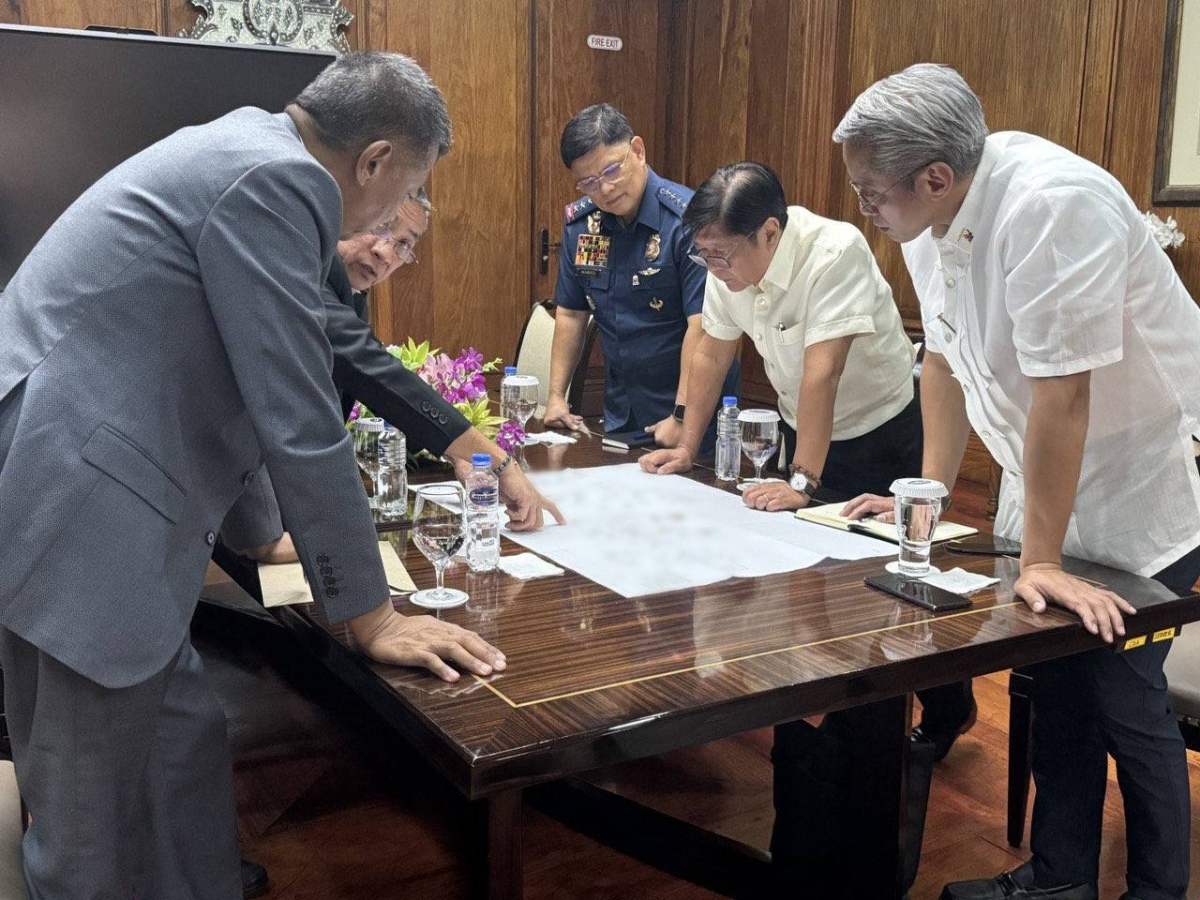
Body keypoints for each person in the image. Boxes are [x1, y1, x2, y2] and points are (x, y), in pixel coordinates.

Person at [0, 52, 541, 899]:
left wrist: (262, 534)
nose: (398, 212)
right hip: (82, 511)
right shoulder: (277, 183)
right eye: (407, 189)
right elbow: (296, 411)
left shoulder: (243, 151)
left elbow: (235, 386)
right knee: (87, 817)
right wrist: (369, 615)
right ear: (375, 161)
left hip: (103, 495)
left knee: (178, 740)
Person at [834, 63, 1200, 900]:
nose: (866, 209)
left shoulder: (1050, 205)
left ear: (934, 176)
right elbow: (943, 357)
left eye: (869, 193)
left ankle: (1158, 889)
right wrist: (922, 497)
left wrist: (1040, 560)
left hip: (1137, 488)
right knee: (1057, 686)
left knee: (1128, 701)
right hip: (1039, 478)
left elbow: (1064, 397)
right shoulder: (931, 219)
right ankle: (1059, 880)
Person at [639, 161, 974, 893]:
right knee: (821, 587)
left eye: (722, 253)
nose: (713, 266)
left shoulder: (836, 251)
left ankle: (945, 700)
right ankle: (851, 709)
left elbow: (823, 372)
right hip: (812, 430)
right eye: (703, 253)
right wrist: (688, 445)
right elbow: (711, 349)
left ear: (770, 232)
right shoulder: (731, 266)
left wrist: (800, 483)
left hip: (883, 432)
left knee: (894, 580)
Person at [225, 188, 559, 567]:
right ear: (348, 215)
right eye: (381, 227)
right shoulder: (303, 277)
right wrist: (500, 463)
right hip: (221, 497)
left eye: (403, 244)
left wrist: (461, 455)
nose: (385, 253)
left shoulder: (349, 292)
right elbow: (375, 375)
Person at [544, 103, 738, 449]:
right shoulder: (583, 226)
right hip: (623, 411)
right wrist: (557, 395)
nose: (604, 189)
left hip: (694, 415)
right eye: (588, 182)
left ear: (638, 150)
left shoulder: (687, 222)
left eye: (612, 171)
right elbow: (572, 314)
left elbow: (703, 325)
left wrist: (682, 414)